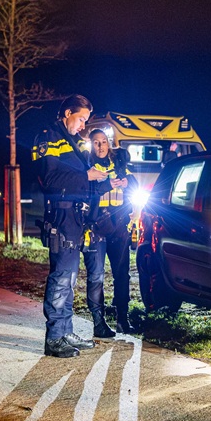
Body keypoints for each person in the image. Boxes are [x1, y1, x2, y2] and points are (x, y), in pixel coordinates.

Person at [32, 95, 113, 358]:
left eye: (86, 122)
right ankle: (54, 337)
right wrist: (85, 175)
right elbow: (49, 177)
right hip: (61, 216)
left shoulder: (77, 142)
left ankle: (65, 331)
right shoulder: (48, 138)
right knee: (61, 277)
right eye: (81, 119)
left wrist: (105, 183)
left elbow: (84, 182)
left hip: (78, 219)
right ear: (67, 112)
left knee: (69, 278)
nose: (83, 126)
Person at [84, 129, 137, 337]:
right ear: (90, 145)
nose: (100, 146)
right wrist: (106, 184)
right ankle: (99, 322)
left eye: (103, 142)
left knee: (122, 274)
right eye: (96, 142)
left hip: (119, 227)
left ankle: (122, 319)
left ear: (109, 144)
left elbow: (135, 184)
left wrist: (126, 183)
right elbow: (84, 191)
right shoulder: (86, 166)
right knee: (96, 276)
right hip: (96, 228)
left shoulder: (120, 165)